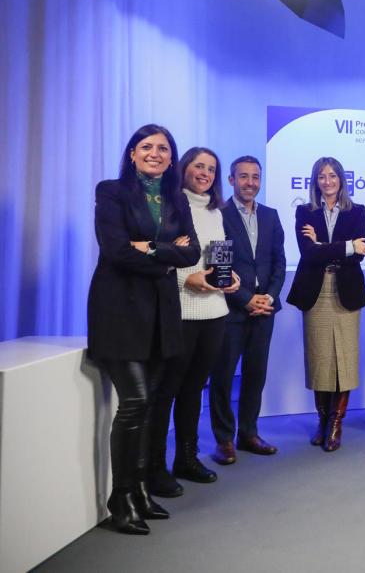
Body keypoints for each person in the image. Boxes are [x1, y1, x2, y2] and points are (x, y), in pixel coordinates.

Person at [87, 124, 200, 535]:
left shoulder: (175, 197)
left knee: (150, 403)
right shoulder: (111, 191)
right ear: (133, 153)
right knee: (135, 401)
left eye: (163, 148)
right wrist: (166, 254)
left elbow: (191, 253)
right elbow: (115, 250)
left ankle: (138, 491)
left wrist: (150, 247)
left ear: (172, 158)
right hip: (119, 310)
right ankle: (121, 496)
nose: (155, 153)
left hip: (160, 312)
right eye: (147, 147)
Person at [148, 148, 241, 497]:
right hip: (182, 312)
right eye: (199, 166)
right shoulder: (169, 206)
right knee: (166, 392)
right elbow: (163, 257)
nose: (205, 173)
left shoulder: (215, 210)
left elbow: (216, 256)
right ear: (184, 168)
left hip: (215, 312)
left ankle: (187, 458)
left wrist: (229, 279)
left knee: (193, 390)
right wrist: (186, 279)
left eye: (211, 169)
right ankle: (154, 467)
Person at [286, 156, 365, 452]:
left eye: (333, 176)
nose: (328, 181)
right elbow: (308, 253)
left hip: (345, 289)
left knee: (344, 359)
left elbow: (361, 255)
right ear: (315, 181)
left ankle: (337, 422)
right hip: (315, 290)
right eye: (322, 176)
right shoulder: (304, 211)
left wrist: (324, 246)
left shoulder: (357, 211)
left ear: (341, 180)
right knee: (320, 357)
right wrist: (345, 247)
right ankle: (322, 421)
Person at [209, 156, 286, 466]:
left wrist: (268, 296)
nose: (250, 183)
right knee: (224, 376)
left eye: (255, 177)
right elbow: (219, 266)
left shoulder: (271, 216)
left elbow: (279, 262)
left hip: (264, 309)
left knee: (256, 374)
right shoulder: (218, 215)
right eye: (243, 177)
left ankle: (249, 433)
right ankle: (224, 439)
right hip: (230, 310)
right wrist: (245, 299)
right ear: (231, 180)